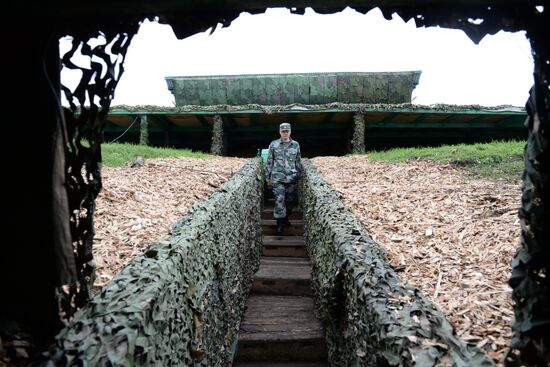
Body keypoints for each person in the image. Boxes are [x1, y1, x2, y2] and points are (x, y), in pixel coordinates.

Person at [264, 122, 303, 234]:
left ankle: (286, 217)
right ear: (280, 132)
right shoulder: (274, 144)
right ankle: (279, 224)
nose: (285, 133)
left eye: (287, 131)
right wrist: (267, 177)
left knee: (290, 201)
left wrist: (299, 175)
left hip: (291, 177)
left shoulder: (296, 145)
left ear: (290, 132)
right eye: (283, 131)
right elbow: (269, 161)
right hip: (278, 178)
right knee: (279, 200)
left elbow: (298, 161)